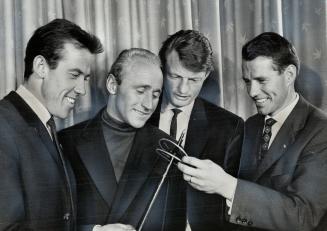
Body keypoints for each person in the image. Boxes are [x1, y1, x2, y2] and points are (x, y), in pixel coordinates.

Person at [178, 32, 327, 230]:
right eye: (247, 81)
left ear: (289, 75)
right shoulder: (251, 125)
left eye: (261, 80)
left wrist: (227, 185)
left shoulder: (320, 130)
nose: (252, 92)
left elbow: (303, 216)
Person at [59, 48, 184, 231]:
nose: (148, 105)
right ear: (112, 85)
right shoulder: (65, 142)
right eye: (141, 91)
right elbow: (50, 222)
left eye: (156, 95)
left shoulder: (168, 150)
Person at [0, 18, 103, 230]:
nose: (82, 89)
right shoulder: (3, 125)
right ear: (41, 67)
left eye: (85, 78)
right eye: (74, 75)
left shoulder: (43, 123)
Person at [149, 30, 244, 230]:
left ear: (206, 75)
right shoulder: (138, 114)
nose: (183, 90)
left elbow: (237, 205)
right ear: (162, 68)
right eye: (175, 76)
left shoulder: (229, 127)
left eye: (193, 80)